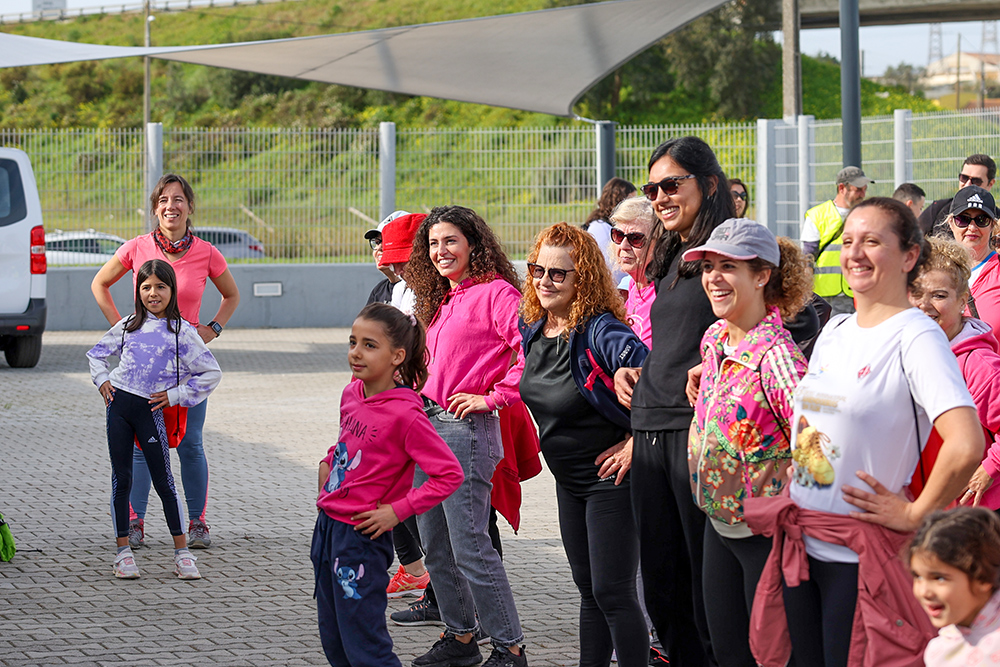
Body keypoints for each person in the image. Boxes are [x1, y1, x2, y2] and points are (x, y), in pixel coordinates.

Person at [744, 198, 983, 667]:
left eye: (872, 241)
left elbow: (967, 441)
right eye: (849, 240)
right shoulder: (835, 329)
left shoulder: (916, 336)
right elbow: (819, 421)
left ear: (910, 256)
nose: (854, 252)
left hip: (859, 561)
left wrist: (916, 513)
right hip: (801, 543)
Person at [613, 135, 735, 666]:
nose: (659, 196)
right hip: (649, 428)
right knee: (660, 588)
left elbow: (796, 317)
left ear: (708, 185)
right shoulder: (668, 255)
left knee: (704, 588)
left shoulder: (726, 247)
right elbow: (676, 340)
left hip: (696, 433)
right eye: (651, 187)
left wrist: (718, 364)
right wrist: (643, 368)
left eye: (670, 184)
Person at [518, 222, 649, 667]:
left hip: (610, 481)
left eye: (559, 274)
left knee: (612, 592)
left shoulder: (601, 331)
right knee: (590, 590)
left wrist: (636, 442)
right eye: (538, 270)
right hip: (569, 481)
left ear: (584, 279)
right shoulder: (535, 327)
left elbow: (656, 383)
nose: (544, 281)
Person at [404, 205, 529, 667]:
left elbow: (528, 355)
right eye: (434, 244)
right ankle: (460, 639)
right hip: (428, 428)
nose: (441, 251)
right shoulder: (443, 298)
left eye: (450, 241)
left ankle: (510, 647)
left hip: (466, 431)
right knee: (434, 544)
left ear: (473, 243)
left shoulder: (497, 293)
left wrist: (492, 397)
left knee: (470, 545)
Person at [684, 219, 811, 667]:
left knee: (771, 656)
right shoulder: (715, 339)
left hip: (765, 538)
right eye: (708, 266)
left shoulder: (777, 356)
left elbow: (816, 447)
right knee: (727, 652)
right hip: (718, 525)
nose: (713, 278)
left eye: (728, 267)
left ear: (761, 276)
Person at [92, 173, 240, 550]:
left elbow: (231, 296)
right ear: (155, 208)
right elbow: (100, 284)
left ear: (190, 207)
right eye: (163, 200)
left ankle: (197, 522)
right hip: (143, 367)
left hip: (187, 364)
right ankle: (135, 521)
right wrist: (126, 330)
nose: (170, 206)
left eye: (178, 200)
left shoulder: (207, 251)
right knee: (142, 445)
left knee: (190, 443)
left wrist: (213, 329)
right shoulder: (136, 247)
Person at [311, 302, 463, 667]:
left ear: (398, 356)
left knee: (365, 644)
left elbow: (449, 474)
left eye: (369, 345)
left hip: (361, 538)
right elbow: (349, 442)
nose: (356, 353)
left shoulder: (407, 414)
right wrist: (328, 461)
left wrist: (397, 512)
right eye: (353, 342)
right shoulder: (352, 394)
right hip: (328, 528)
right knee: (334, 639)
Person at [87, 259, 221, 580]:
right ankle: (122, 554)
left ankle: (182, 553)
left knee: (164, 481)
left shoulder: (182, 332)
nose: (153, 293)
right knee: (122, 480)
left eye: (160, 286)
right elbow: (96, 354)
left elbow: (211, 373)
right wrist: (102, 379)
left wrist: (174, 396)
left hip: (150, 412)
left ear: (172, 290)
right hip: (118, 406)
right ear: (138, 292)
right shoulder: (128, 325)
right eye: (146, 287)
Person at [909, 237, 1000, 510]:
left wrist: (988, 470)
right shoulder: (909, 351)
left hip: (972, 512)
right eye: (916, 292)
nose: (924, 305)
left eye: (939, 295)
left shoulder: (978, 364)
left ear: (962, 301)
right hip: (924, 503)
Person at [910, 508, 1000, 666]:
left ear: (983, 578)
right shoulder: (940, 651)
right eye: (918, 577)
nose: (924, 592)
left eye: (939, 578)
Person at [801, 166, 872, 315]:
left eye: (865, 189)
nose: (863, 194)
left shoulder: (867, 215)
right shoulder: (818, 215)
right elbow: (808, 257)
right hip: (824, 295)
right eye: (858, 189)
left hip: (857, 291)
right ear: (842, 188)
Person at [943, 186, 1000, 335]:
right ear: (951, 222)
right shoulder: (937, 271)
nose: (972, 227)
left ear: (992, 225)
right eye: (963, 219)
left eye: (982, 220)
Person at [610, 196, 658, 348]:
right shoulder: (632, 286)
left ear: (659, 243)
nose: (623, 245)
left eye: (635, 238)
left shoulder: (662, 292)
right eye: (618, 235)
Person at [918, 153, 997, 236]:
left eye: (982, 221)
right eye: (964, 178)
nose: (967, 184)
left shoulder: (997, 217)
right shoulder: (938, 209)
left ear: (990, 184)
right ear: (950, 221)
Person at [584, 177, 636, 286]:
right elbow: (613, 270)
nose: (634, 206)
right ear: (619, 200)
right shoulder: (600, 228)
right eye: (630, 200)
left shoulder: (605, 225)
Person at [365, 210, 409, 305]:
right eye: (377, 242)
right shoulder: (379, 291)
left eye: (387, 241)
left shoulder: (419, 291)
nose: (379, 248)